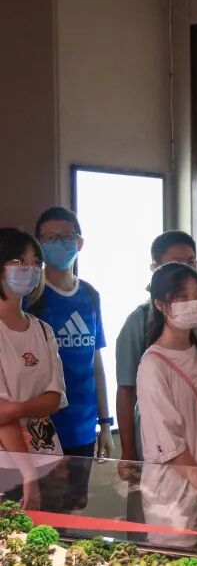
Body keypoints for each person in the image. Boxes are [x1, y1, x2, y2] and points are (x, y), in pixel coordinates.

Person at [136, 262, 197, 544]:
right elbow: (167, 442)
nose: (193, 302)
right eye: (182, 296)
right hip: (175, 497)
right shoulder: (153, 365)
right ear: (160, 304)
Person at [116, 230, 197, 472]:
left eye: (191, 263)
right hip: (161, 447)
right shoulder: (138, 323)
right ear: (156, 268)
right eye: (176, 263)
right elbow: (126, 389)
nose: (185, 270)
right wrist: (128, 451)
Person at [27, 207, 111, 511]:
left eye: (64, 237)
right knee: (43, 512)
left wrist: (105, 423)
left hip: (84, 426)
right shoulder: (30, 297)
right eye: (49, 238)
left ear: (79, 242)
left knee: (74, 510)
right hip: (42, 429)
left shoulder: (90, 295)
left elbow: (95, 363)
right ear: (38, 245)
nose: (57, 244)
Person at [0, 228, 66, 509]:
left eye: (35, 262)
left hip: (48, 456)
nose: (29, 269)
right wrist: (27, 473)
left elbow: (53, 399)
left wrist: (14, 408)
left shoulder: (42, 330)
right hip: (8, 466)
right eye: (19, 261)